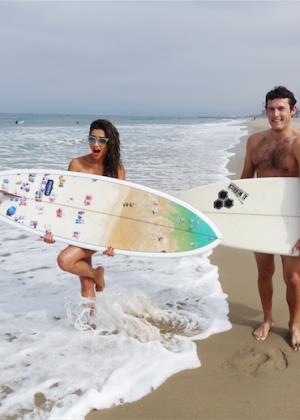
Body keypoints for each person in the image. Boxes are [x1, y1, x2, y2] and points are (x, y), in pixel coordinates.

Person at [241, 86, 300, 351]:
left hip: (291, 221)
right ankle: (267, 318)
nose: (275, 114)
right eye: (271, 108)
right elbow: (245, 181)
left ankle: (294, 323)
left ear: (292, 111)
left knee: (293, 278)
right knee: (264, 272)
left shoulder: (298, 144)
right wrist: (235, 219)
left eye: (281, 109)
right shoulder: (255, 142)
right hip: (261, 220)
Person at [44, 119, 125, 300]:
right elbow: (64, 200)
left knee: (64, 261)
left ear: (110, 142)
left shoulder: (117, 170)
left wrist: (113, 238)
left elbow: (117, 208)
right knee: (86, 282)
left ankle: (97, 275)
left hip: (99, 229)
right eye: (92, 139)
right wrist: (50, 229)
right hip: (78, 226)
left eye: (101, 140)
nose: (95, 145)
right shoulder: (76, 165)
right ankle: (91, 324)